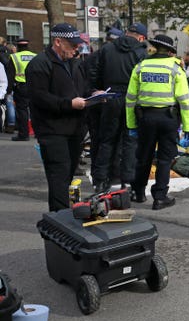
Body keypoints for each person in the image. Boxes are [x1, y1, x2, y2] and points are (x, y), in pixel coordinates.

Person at [26, 24, 90, 211]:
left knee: (68, 174)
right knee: (58, 176)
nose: (77, 48)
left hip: (74, 128)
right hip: (52, 130)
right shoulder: (40, 64)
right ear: (58, 42)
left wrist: (95, 94)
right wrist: (69, 104)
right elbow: (40, 98)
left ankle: (63, 215)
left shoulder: (75, 63)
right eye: (73, 45)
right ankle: (59, 218)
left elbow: (82, 89)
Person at [125, 34, 189, 210]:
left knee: (143, 157)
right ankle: (160, 197)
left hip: (145, 118)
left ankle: (138, 192)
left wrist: (131, 124)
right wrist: (188, 127)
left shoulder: (141, 67)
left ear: (154, 48)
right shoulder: (175, 68)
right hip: (168, 118)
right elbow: (185, 101)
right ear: (171, 52)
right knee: (164, 159)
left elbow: (130, 99)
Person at [90, 22, 147, 193]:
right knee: (130, 141)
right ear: (141, 37)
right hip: (131, 100)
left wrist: (98, 90)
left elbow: (96, 71)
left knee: (107, 140)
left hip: (110, 96)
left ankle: (100, 180)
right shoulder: (141, 52)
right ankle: (126, 181)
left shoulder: (107, 49)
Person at [7, 38, 36, 141]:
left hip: (21, 87)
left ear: (18, 47)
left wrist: (8, 91)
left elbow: (10, 75)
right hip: (35, 87)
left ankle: (23, 134)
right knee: (35, 110)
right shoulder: (35, 56)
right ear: (27, 46)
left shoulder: (14, 57)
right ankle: (38, 132)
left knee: (22, 111)